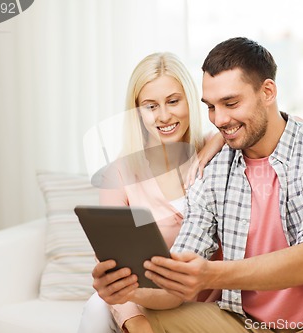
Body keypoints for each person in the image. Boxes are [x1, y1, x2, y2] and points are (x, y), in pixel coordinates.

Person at [93, 37, 303, 333]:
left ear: (268, 91)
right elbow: (174, 289)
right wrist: (127, 291)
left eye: (230, 103)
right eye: (211, 107)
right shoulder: (213, 170)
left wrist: (210, 275)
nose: (219, 120)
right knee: (148, 322)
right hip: (243, 325)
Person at [78, 52, 224, 333]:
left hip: (208, 305)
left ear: (189, 101)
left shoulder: (215, 153)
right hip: (147, 299)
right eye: (150, 106)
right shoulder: (119, 174)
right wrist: (135, 321)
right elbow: (111, 263)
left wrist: (214, 141)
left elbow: (274, 123)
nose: (164, 115)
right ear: (137, 111)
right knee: (97, 306)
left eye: (173, 101)